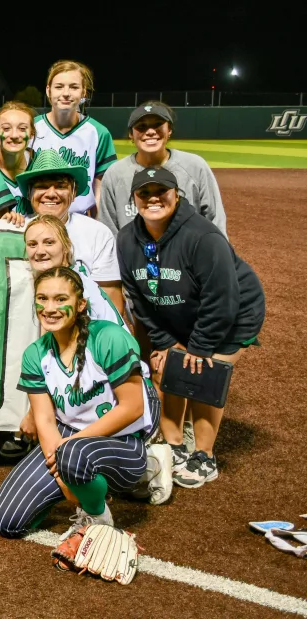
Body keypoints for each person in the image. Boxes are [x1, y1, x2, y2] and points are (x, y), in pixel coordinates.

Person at [117, 167, 264, 488]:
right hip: (182, 312)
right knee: (171, 367)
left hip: (233, 314)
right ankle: (174, 448)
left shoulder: (203, 236)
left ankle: (204, 455)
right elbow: (139, 299)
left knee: (201, 372)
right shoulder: (127, 239)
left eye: (162, 191)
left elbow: (222, 299)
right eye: (145, 193)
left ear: (176, 195)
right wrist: (165, 341)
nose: (153, 198)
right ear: (135, 199)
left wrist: (199, 346)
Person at [0, 266, 159, 539]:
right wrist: (61, 478)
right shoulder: (35, 354)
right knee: (6, 522)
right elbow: (44, 419)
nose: (49, 307)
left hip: (123, 439)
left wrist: (70, 449)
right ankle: (82, 483)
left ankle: (98, 517)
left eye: (60, 299)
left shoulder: (108, 337)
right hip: (69, 440)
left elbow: (133, 407)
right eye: (42, 298)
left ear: (80, 305)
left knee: (73, 455)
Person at [10, 149, 125, 317]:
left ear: (73, 192)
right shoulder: (15, 229)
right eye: (42, 186)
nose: (51, 193)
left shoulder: (96, 233)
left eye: (60, 186)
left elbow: (111, 299)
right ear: (29, 193)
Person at [99, 102, 226, 237]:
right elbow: (108, 230)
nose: (150, 131)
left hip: (188, 255)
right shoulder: (115, 174)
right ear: (131, 134)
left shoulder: (195, 166)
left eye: (158, 124)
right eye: (142, 126)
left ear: (169, 130)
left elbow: (215, 220)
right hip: (132, 257)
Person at [32, 60, 116, 217]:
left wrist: (97, 224)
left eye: (74, 87)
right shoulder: (31, 128)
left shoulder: (98, 132)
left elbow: (100, 189)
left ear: (83, 92)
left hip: (80, 219)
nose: (65, 93)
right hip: (37, 218)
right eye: (59, 87)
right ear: (48, 90)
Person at [0, 101, 36, 219]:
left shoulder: (40, 165)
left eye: (22, 128)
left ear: (31, 134)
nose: (14, 135)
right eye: (6, 128)